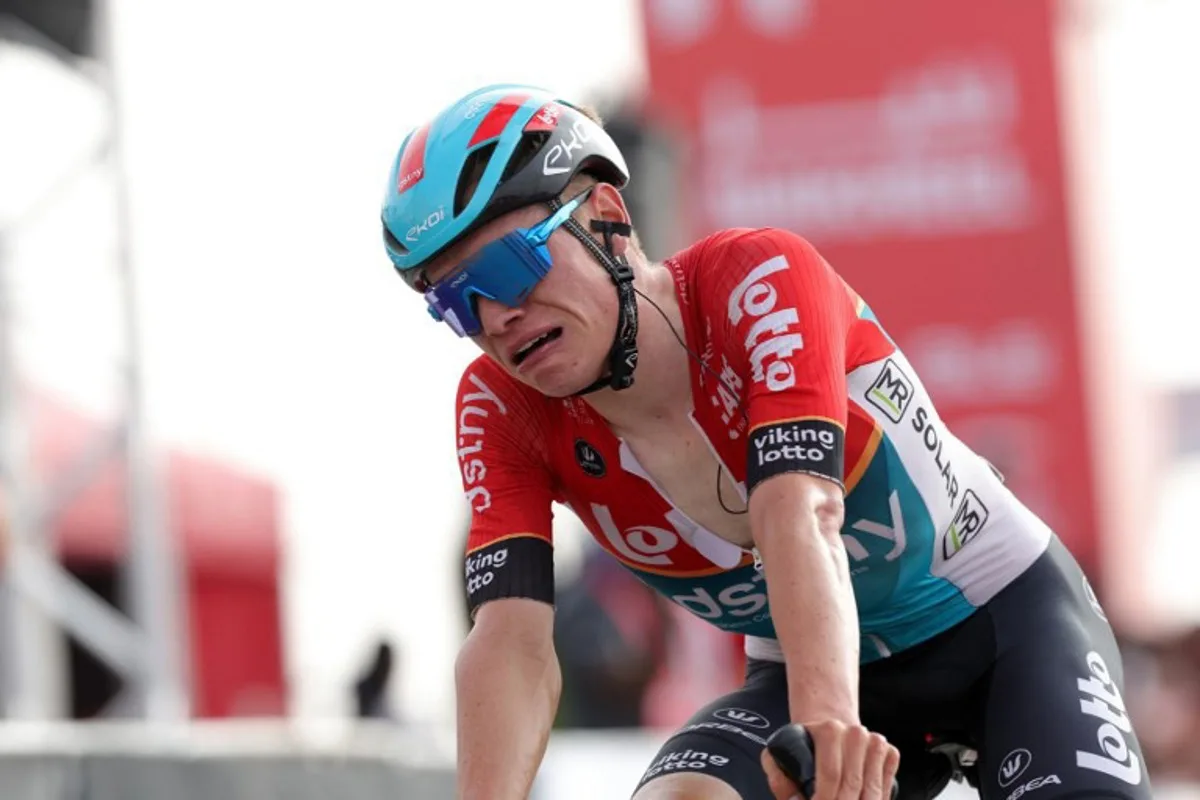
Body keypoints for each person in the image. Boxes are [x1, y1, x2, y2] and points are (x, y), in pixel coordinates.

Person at [379, 84, 1152, 800]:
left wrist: (825, 730)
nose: (496, 318)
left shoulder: (754, 279)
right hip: (801, 668)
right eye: (455, 302)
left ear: (607, 215)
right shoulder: (499, 405)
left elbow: (800, 511)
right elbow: (510, 640)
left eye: (511, 267)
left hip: (1003, 625)